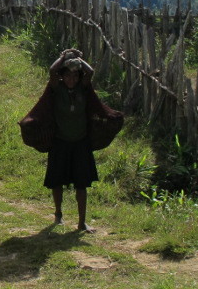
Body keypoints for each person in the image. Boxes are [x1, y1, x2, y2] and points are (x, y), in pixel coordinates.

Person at [19, 48, 124, 232]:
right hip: (60, 142)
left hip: (80, 143)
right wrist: (63, 57)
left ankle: (82, 222)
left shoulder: (83, 89)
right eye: (67, 76)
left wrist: (78, 59)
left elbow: (90, 72)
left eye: (75, 76)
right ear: (62, 77)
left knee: (82, 184)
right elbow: (52, 71)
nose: (71, 79)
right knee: (56, 182)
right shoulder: (56, 88)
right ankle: (58, 215)